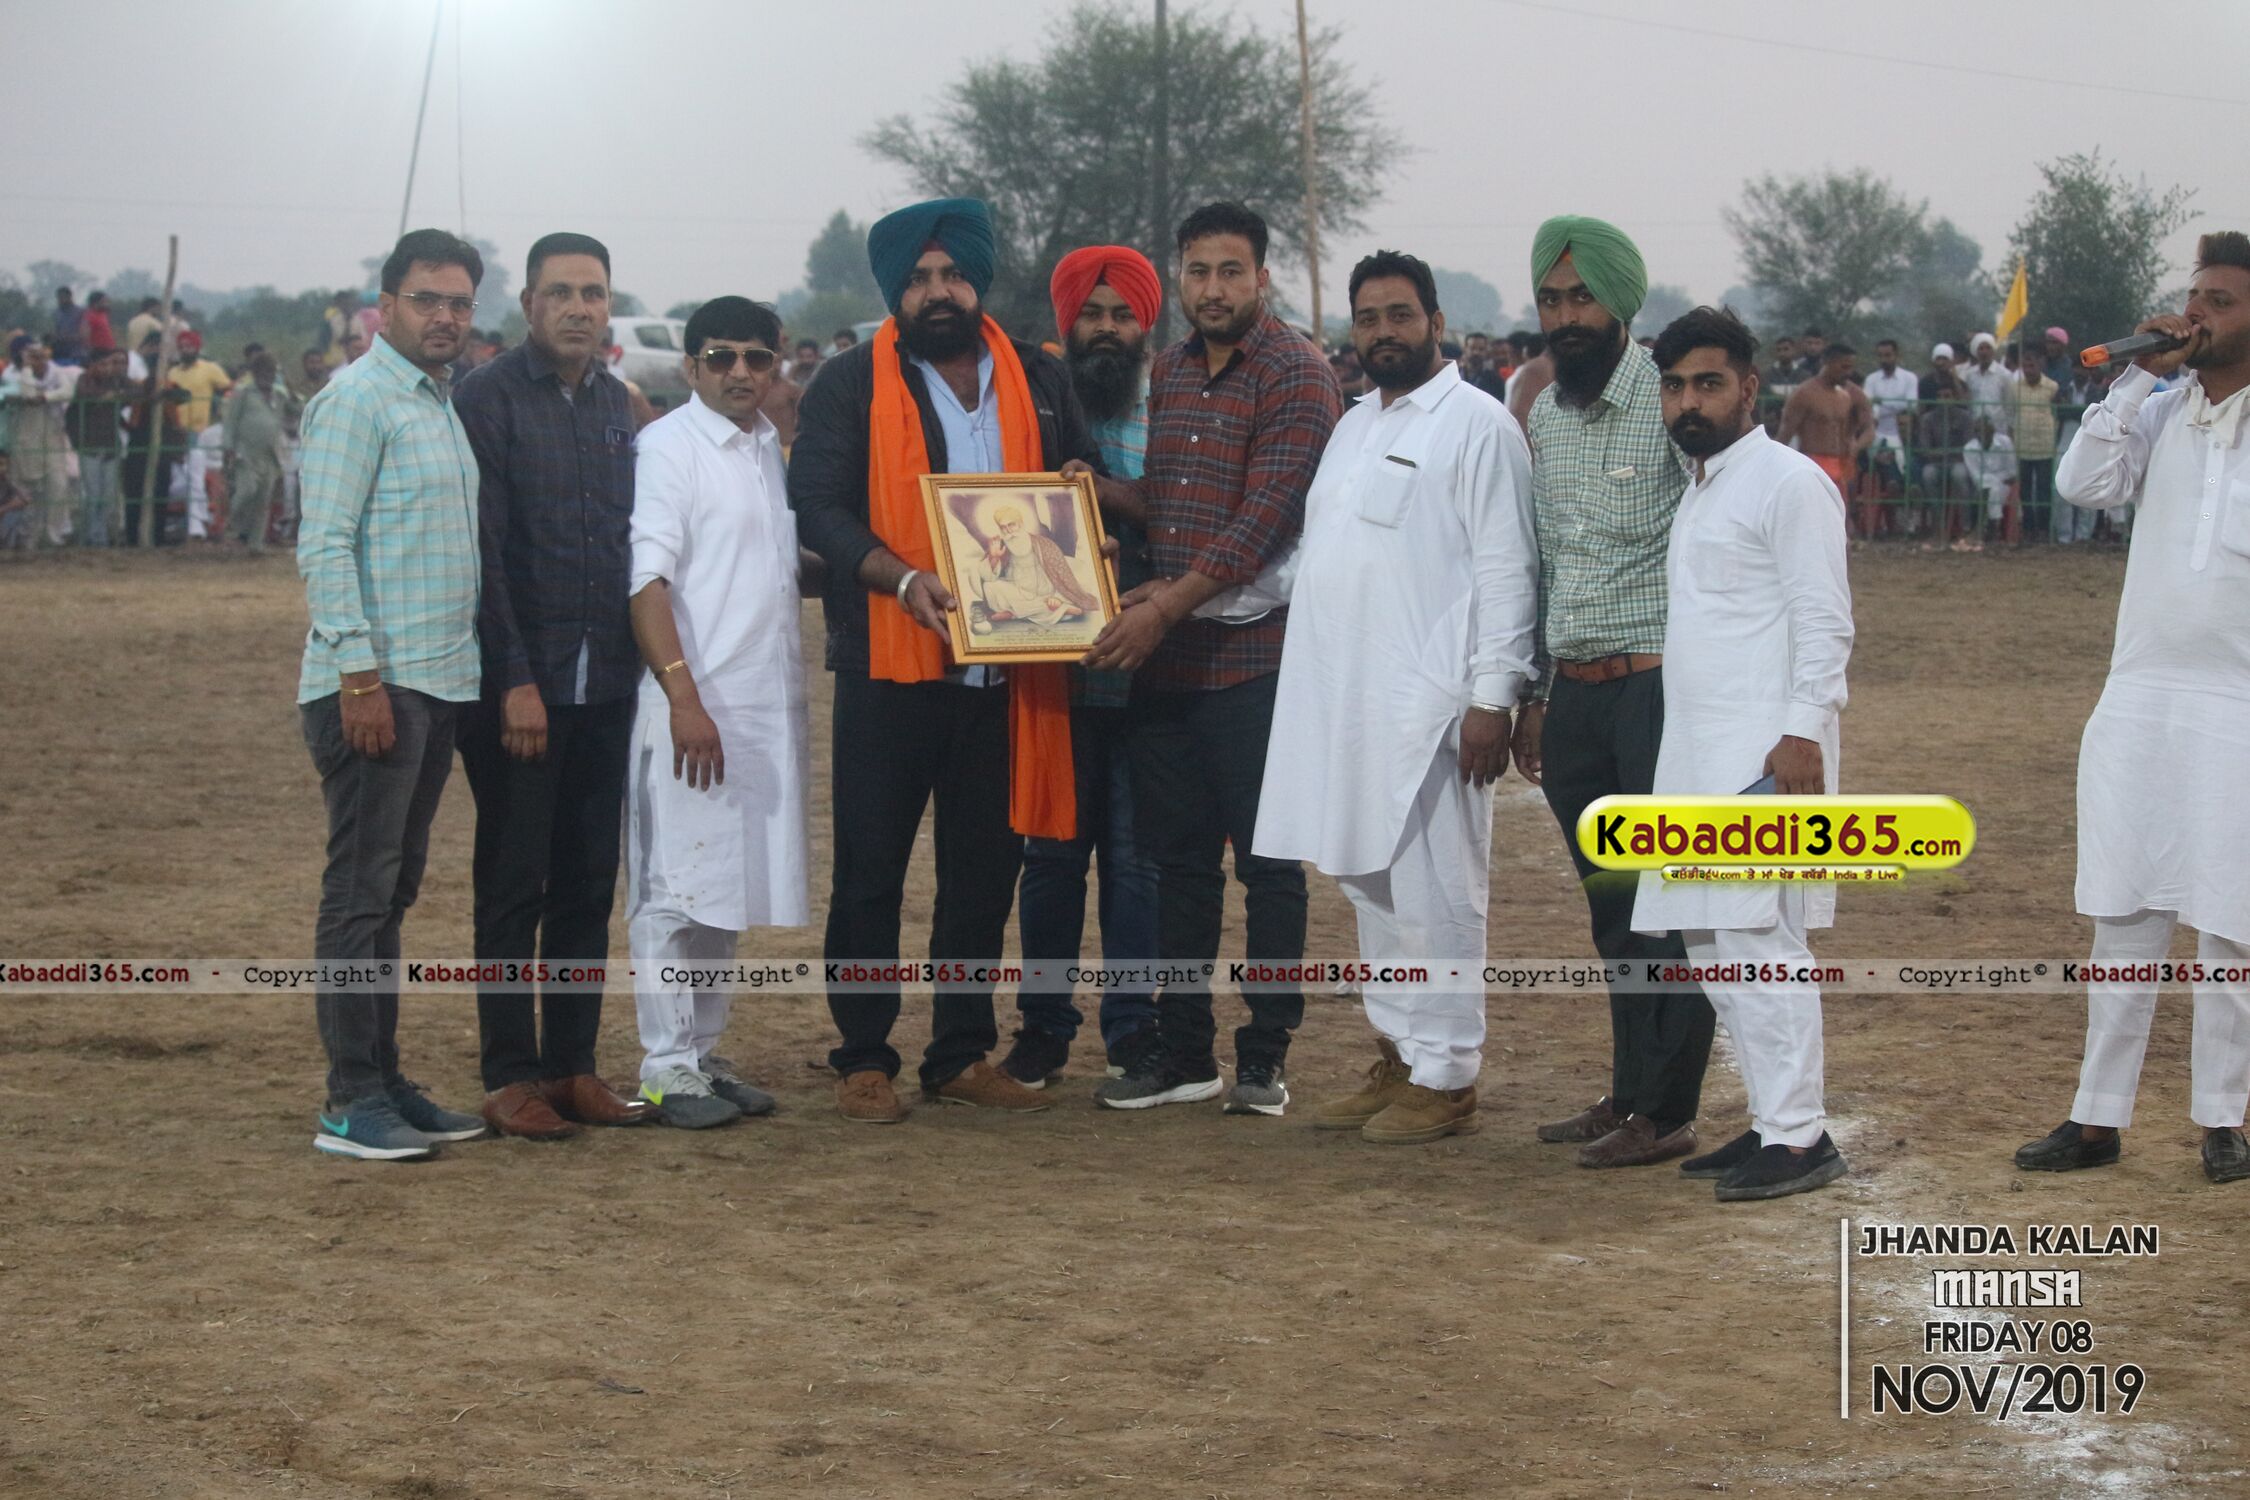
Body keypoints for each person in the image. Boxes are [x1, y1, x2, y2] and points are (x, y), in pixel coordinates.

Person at [790, 197, 1096, 1121]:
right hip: (889, 664)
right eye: (919, 278)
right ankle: (863, 1057)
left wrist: (1082, 511)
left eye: (953, 274)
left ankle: (960, 1051)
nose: (938, 292)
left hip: (1009, 669)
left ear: (978, 280)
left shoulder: (1038, 376)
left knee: (983, 873)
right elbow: (819, 506)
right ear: (896, 290)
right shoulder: (849, 381)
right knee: (870, 873)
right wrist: (899, 578)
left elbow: (1078, 471)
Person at [1259, 250, 1537, 1144]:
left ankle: (1449, 1075)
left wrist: (1494, 697)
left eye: (1401, 315)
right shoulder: (1352, 426)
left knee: (1439, 891)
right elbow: (1318, 559)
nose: (1384, 332)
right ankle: (1403, 1052)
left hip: (1434, 708)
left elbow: (1508, 568)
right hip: (1346, 702)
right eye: (1369, 318)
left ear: (1436, 323)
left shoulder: (1478, 425)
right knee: (1370, 883)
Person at [1075, 201, 1343, 1116]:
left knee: (1269, 868)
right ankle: (1185, 1054)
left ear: (1261, 278)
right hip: (1168, 667)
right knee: (1180, 866)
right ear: (1179, 279)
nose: (1214, 289)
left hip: (1254, 662)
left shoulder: (1298, 373)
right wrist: (1097, 494)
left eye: (1231, 271)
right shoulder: (1174, 371)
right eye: (1198, 272)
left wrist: (1161, 606)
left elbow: (1263, 519)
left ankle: (1264, 1056)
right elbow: (1174, 500)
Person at [2017, 230, 2250, 1186]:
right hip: (2141, 692)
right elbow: (2081, 485)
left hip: (2239, 703)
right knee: (2124, 910)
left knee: (2232, 923)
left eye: (2221, 302)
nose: (2197, 315)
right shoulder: (2156, 408)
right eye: (2194, 298)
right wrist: (2131, 381)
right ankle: (2096, 1117)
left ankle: (2224, 1119)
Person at [1630, 305, 1854, 1200]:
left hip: (1765, 754)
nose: (1689, 401)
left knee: (1760, 941)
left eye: (1708, 383)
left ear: (1749, 388)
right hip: (1697, 752)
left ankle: (1800, 1139)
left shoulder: (1788, 483)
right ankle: (1771, 1120)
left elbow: (1824, 619)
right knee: (1710, 940)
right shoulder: (1702, 486)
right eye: (1675, 386)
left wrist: (1803, 730)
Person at [1506, 216, 1715, 1169]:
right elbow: (1550, 565)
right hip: (1579, 698)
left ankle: (1667, 1113)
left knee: (1667, 908)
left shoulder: (1669, 406)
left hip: (1658, 692)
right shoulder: (1545, 416)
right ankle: (1629, 1093)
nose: (1566, 317)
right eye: (1552, 300)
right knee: (1611, 908)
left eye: (1582, 297)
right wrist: (1539, 694)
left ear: (1621, 301)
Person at [450, 232, 652, 1139]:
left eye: (593, 293)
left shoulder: (618, 405)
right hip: (519, 692)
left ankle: (572, 1068)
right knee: (512, 882)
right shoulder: (486, 398)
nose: (579, 308)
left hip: (607, 684)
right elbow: (484, 555)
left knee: (585, 883)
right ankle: (509, 1076)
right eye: (561, 292)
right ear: (528, 304)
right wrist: (514, 681)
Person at [297, 228, 491, 1162]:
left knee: (390, 894)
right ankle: (351, 1100)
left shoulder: (437, 401)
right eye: (427, 300)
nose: (445, 317)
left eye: (459, 303)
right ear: (385, 307)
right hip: (377, 686)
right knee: (359, 894)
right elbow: (324, 543)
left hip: (436, 682)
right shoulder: (357, 400)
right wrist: (359, 675)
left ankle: (385, 1079)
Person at [626, 296, 812, 1129]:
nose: (741, 372)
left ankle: (702, 1054)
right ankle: (665, 1067)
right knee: (672, 890)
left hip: (760, 707)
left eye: (756, 358)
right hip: (692, 705)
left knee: (724, 889)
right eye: (721, 357)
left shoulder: (766, 449)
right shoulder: (670, 447)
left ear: (776, 366)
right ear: (691, 366)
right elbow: (646, 580)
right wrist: (682, 696)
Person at [1001, 244, 1165, 1085]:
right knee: (1052, 859)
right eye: (1091, 314)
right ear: (1066, 322)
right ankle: (1043, 1027)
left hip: (1149, 672)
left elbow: (1185, 517)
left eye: (1122, 315)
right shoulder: (1030, 402)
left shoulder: (1176, 405)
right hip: (1051, 673)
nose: (1106, 329)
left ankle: (1134, 1027)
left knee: (1137, 863)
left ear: (1147, 324)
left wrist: (1099, 492)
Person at [1778, 343, 1874, 529]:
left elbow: (1869, 429)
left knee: (1841, 523)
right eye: (1843, 367)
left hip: (1843, 464)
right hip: (1814, 462)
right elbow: (1785, 434)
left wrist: (1856, 445)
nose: (1848, 372)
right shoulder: (1804, 394)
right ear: (1827, 363)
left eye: (1850, 367)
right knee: (1813, 521)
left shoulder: (1851, 394)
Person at [219, 351, 299, 553]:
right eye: (263, 371)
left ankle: (256, 543)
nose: (268, 375)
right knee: (247, 490)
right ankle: (231, 526)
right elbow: (230, 423)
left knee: (263, 498)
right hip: (245, 452)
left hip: (271, 454)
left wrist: (291, 390)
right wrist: (228, 448)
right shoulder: (244, 393)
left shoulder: (279, 394)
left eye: (271, 371)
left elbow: (298, 410)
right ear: (254, 373)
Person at [5, 339, 76, 547]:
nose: (38, 359)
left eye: (40, 354)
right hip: (26, 438)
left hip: (52, 435)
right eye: (31, 354)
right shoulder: (13, 375)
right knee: (28, 488)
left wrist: (45, 397)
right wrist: (27, 368)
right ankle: (28, 538)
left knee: (58, 486)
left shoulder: (56, 372)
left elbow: (68, 391)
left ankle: (53, 536)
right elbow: (27, 393)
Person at [66, 345, 130, 546]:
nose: (107, 368)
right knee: (93, 495)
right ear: (92, 365)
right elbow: (86, 396)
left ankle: (100, 534)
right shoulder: (84, 380)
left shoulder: (117, 381)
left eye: (110, 364)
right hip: (89, 446)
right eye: (103, 364)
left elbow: (137, 390)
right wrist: (111, 395)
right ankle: (95, 537)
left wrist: (118, 393)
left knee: (108, 495)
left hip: (110, 446)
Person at [2006, 343, 2062, 540]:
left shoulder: (2052, 387)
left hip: (2044, 445)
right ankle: (2029, 529)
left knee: (2044, 489)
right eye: (2025, 366)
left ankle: (2044, 530)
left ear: (2040, 364)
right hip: (2023, 445)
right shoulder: (2015, 388)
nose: (2028, 370)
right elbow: (2010, 414)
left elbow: (2057, 415)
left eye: (2032, 365)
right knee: (2026, 491)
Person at [1863, 339, 1919, 532]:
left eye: (1888, 355)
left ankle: (1908, 521)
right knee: (1887, 460)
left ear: (1897, 355)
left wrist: (1882, 404)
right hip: (1878, 434)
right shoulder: (1872, 380)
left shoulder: (1909, 378)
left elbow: (1911, 406)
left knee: (1909, 464)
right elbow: (1869, 409)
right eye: (1880, 356)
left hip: (1903, 433)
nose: (1884, 359)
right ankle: (1894, 523)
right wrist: (1895, 406)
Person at [1960, 416, 2016, 549]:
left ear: (1993, 431)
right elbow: (1977, 478)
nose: (1983, 435)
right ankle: (1992, 529)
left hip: (2004, 486)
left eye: (1986, 431)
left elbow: (2012, 473)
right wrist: (1997, 479)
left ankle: (1984, 529)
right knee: (1991, 490)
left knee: (1994, 490)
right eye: (1979, 431)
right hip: (1981, 488)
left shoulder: (2005, 442)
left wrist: (1992, 480)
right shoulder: (1969, 448)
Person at [167, 332, 233, 433]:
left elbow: (229, 388)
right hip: (175, 430)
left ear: (197, 348)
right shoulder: (172, 372)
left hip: (199, 430)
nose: (184, 350)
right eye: (181, 347)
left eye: (188, 346)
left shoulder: (210, 368)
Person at [1960, 332, 2012, 437]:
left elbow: (2009, 405)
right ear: (1976, 352)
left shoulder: (2005, 375)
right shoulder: (1969, 375)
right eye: (1981, 348)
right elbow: (1968, 402)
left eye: (1988, 348)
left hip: (1999, 431)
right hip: (1975, 430)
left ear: (1993, 351)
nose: (1984, 352)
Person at [50, 287, 87, 365]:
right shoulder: (56, 313)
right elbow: (54, 330)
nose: (60, 300)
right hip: (60, 354)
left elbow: (84, 335)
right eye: (58, 298)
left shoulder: (80, 312)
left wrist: (65, 337)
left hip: (76, 354)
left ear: (69, 297)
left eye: (62, 297)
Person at [83, 290, 114, 356]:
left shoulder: (103, 314)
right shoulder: (90, 316)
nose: (106, 304)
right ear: (96, 302)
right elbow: (85, 336)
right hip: (98, 351)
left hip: (108, 349)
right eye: (104, 301)